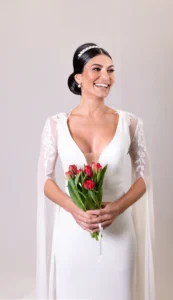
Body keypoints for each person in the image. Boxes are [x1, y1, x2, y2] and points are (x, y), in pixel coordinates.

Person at [36, 42, 156, 300]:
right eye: (97, 69)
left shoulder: (130, 123)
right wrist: (74, 210)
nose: (106, 77)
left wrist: (119, 206)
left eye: (111, 70)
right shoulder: (56, 125)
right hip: (72, 229)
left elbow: (145, 176)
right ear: (78, 77)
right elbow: (45, 180)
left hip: (119, 229)